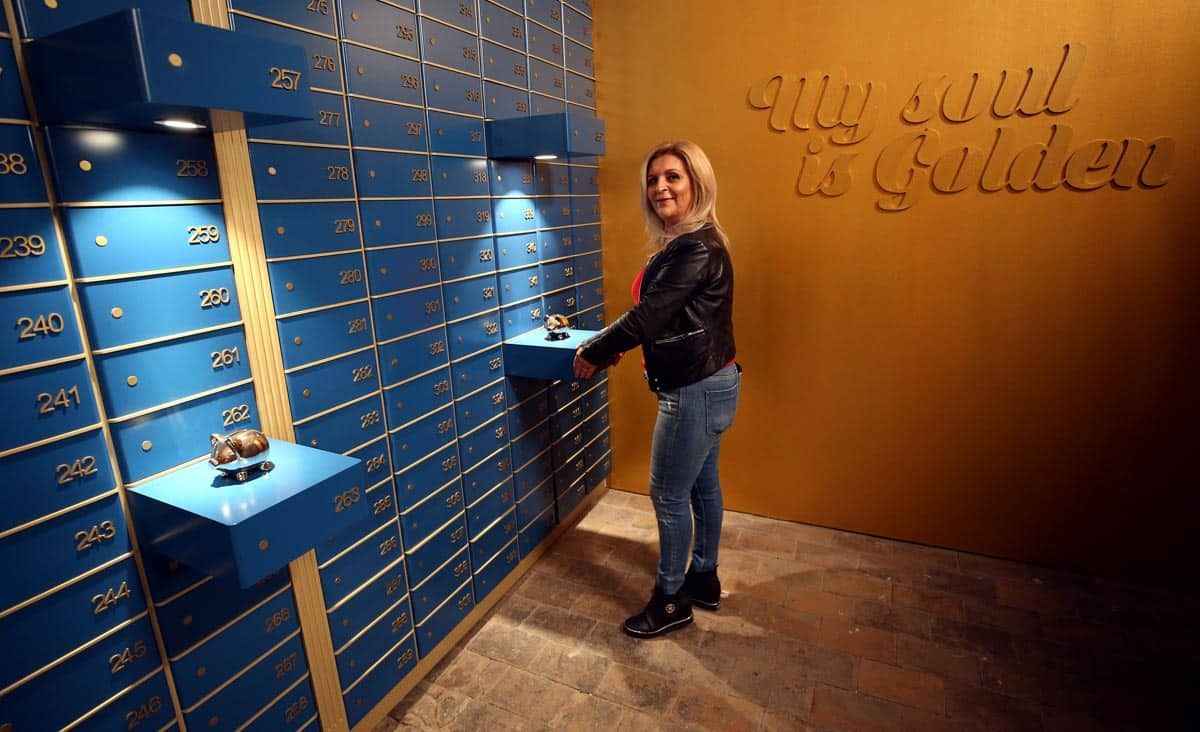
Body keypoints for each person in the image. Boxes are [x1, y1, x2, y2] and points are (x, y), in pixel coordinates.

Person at [573, 141, 740, 638]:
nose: (660, 187)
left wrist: (595, 350)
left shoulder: (695, 247)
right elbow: (664, 318)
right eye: (653, 180)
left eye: (673, 177)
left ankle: (670, 601)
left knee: (668, 494)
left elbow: (648, 316)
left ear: (697, 184)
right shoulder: (690, 242)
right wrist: (622, 345)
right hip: (713, 382)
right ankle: (703, 578)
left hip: (693, 389)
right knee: (702, 485)